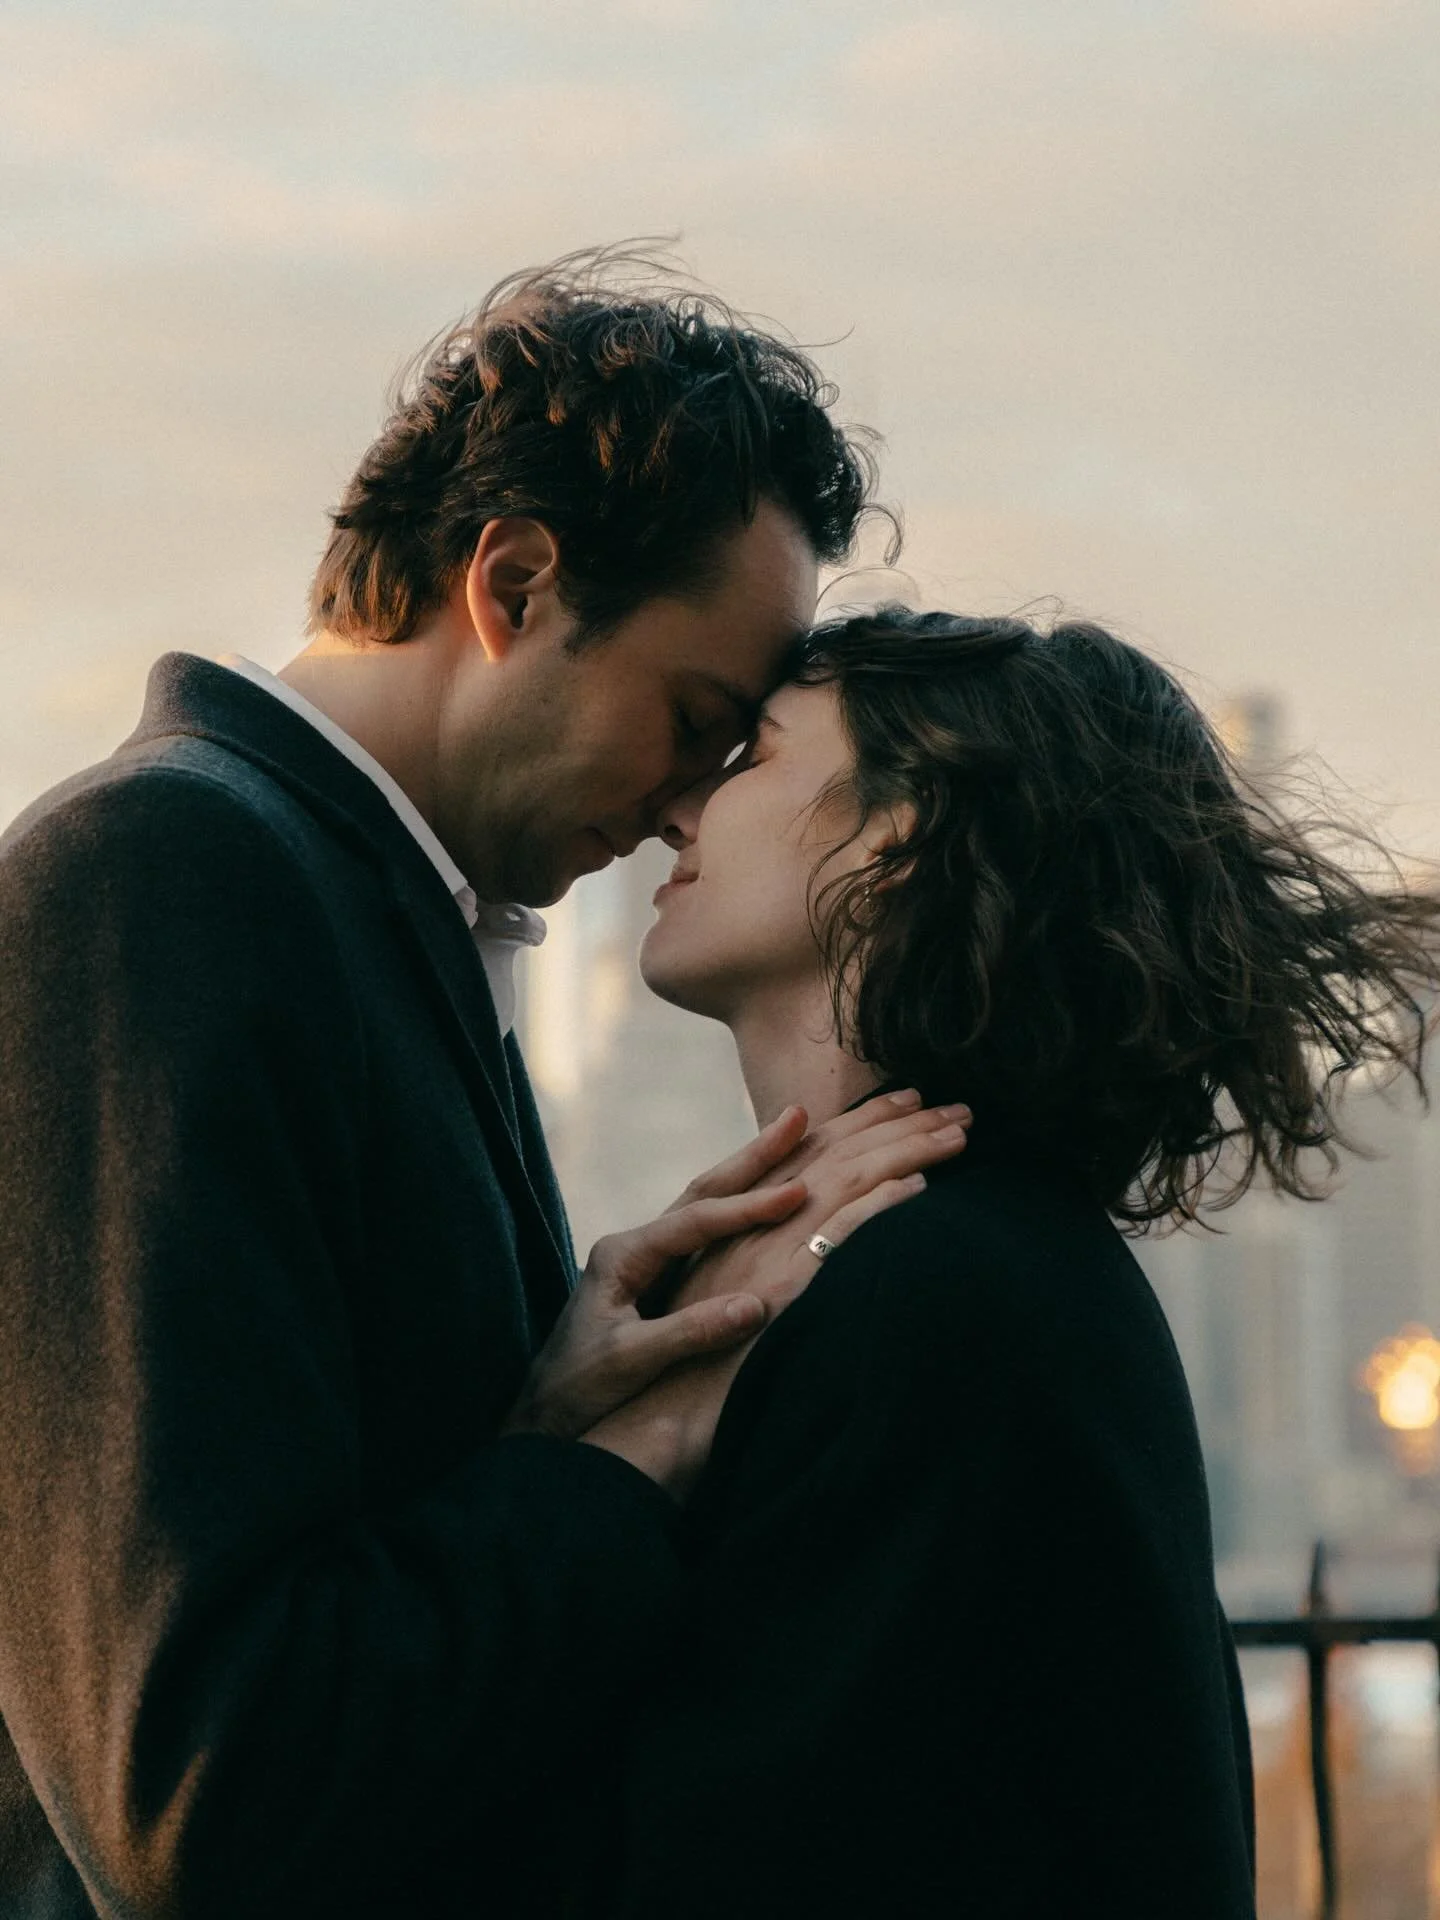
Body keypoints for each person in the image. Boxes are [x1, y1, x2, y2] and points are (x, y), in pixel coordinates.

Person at [0, 258, 970, 1920]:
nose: (686, 810)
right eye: (691, 720)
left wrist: (562, 1382)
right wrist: (619, 1467)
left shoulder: (369, 912)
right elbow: (200, 1783)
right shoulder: (158, 880)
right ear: (513, 581)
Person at [612, 606, 1440, 1919]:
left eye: (752, 754)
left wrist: (585, 1463)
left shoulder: (942, 1297)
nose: (674, 809)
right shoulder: (972, 1266)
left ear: (903, 835)